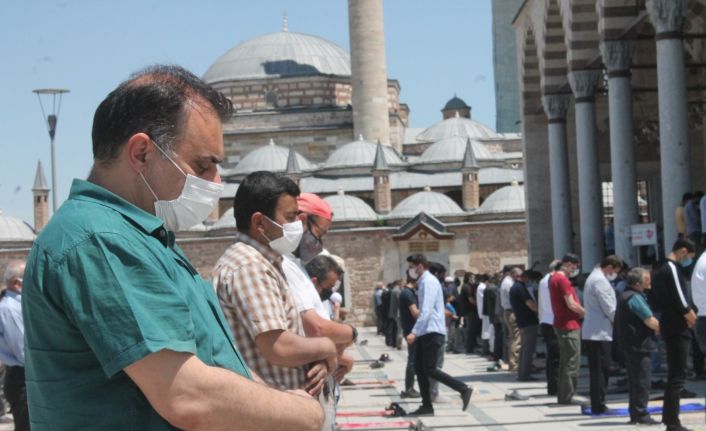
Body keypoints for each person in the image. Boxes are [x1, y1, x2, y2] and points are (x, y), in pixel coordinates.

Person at [22, 66, 323, 430]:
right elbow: (186, 395)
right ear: (141, 153)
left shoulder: (143, 236)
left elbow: (212, 362)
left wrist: (277, 400)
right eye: (203, 165)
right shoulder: (101, 239)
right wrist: (307, 412)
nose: (216, 181)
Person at [215, 171, 338, 397]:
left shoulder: (266, 260)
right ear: (259, 222)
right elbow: (278, 347)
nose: (297, 225)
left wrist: (314, 358)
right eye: (290, 218)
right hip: (269, 404)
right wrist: (327, 347)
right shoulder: (250, 266)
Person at [405, 254, 473, 416]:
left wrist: (414, 332)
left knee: (430, 369)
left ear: (420, 266)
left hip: (432, 331)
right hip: (426, 331)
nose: (410, 271)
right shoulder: (424, 282)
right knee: (420, 369)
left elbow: (426, 310)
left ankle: (463, 389)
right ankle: (426, 406)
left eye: (412, 267)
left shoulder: (428, 282)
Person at [652, 238, 698, 431]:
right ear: (683, 251)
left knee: (674, 374)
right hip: (678, 325)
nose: (687, 261)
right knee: (678, 375)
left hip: (669, 323)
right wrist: (691, 317)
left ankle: (669, 418)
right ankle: (673, 422)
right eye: (689, 256)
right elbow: (680, 298)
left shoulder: (659, 269)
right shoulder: (671, 268)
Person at [615, 268, 660, 426]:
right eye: (647, 279)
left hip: (631, 344)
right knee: (642, 381)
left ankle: (636, 413)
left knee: (636, 380)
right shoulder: (634, 297)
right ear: (637, 283)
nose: (650, 281)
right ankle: (641, 414)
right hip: (638, 344)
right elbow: (649, 319)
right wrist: (664, 328)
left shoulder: (626, 295)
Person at [582, 255, 622, 414]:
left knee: (598, 370)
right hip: (599, 332)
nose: (615, 275)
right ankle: (599, 404)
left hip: (595, 330)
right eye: (615, 271)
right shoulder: (600, 281)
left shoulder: (594, 278)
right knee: (601, 370)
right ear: (609, 267)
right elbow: (609, 307)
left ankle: (598, 402)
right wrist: (619, 324)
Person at [549, 253, 584, 405]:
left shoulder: (553, 278)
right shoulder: (563, 280)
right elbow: (571, 304)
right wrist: (585, 312)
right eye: (575, 267)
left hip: (561, 323)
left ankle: (564, 395)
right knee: (572, 362)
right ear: (569, 264)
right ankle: (568, 395)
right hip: (569, 325)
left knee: (566, 361)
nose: (575, 270)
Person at [1, 260, 28, 431]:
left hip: (23, 376)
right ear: (17, 283)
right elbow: (23, 352)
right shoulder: (10, 309)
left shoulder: (17, 305)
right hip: (22, 378)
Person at [509, 269, 539, 381]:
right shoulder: (520, 287)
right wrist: (540, 312)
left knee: (524, 348)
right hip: (528, 321)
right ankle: (524, 375)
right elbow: (530, 304)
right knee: (528, 349)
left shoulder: (515, 287)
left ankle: (522, 373)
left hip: (523, 321)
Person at [538, 259, 560, 395]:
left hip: (546, 320)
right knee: (556, 357)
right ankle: (555, 387)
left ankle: (553, 386)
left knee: (552, 357)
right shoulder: (551, 281)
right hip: (552, 321)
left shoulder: (544, 280)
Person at [399, 280, 421, 399]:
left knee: (415, 359)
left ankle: (411, 387)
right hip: (412, 330)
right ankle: (409, 388)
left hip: (411, 329)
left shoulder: (407, 292)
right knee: (412, 359)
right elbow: (415, 313)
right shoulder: (408, 293)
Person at [500, 267, 521, 371]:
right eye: (518, 276)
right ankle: (514, 363)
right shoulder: (509, 283)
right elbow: (513, 298)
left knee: (513, 337)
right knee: (516, 338)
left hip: (508, 311)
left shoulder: (506, 282)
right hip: (511, 312)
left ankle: (513, 362)